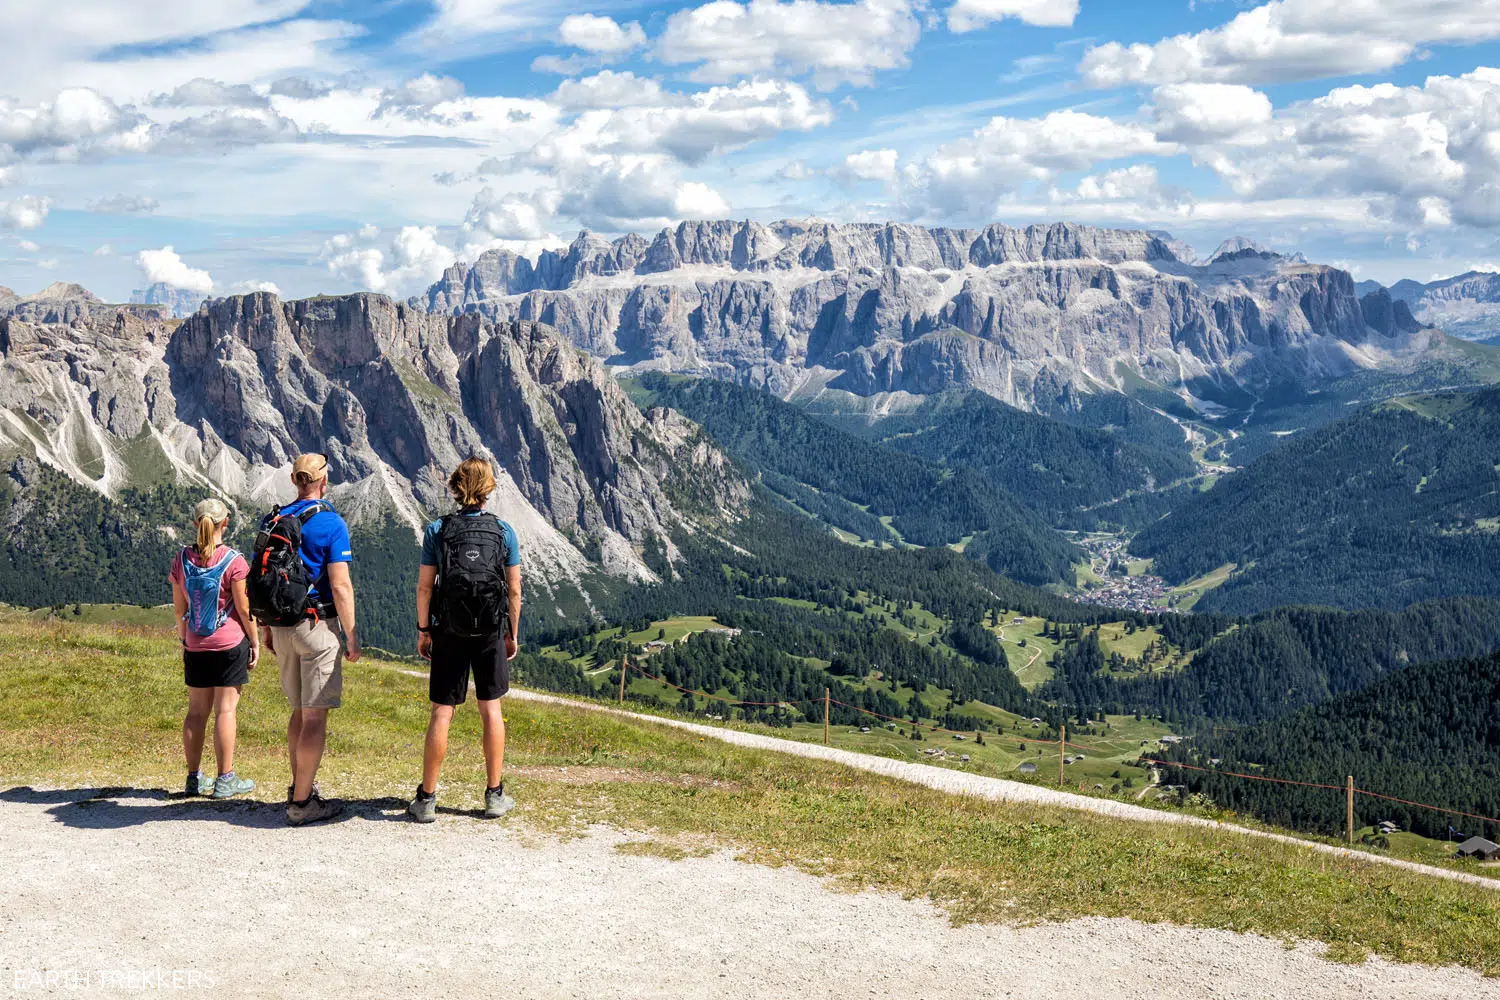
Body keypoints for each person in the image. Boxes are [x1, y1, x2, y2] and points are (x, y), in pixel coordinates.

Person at [408, 456, 521, 823]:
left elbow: (426, 587)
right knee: (491, 710)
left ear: (457, 487)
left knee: (443, 711)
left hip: (449, 631)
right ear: (489, 488)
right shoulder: (504, 532)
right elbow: (515, 591)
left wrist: (425, 630)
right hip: (490, 630)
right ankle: (494, 795)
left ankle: (426, 799)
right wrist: (511, 633)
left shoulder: (437, 531)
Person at [258, 453, 360, 827]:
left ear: (294, 479)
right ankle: (302, 802)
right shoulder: (331, 522)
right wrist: (350, 636)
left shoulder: (274, 519)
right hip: (317, 626)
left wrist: (266, 628)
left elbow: (265, 577)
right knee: (315, 716)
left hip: (281, 626)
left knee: (299, 711)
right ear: (323, 481)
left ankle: (300, 786)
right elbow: (340, 585)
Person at [169, 497, 258, 800]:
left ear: (196, 524)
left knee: (196, 712)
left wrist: (185, 639)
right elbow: (245, 610)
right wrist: (255, 642)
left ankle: (193, 779)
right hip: (230, 643)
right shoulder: (234, 561)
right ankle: (225, 780)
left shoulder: (181, 559)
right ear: (226, 523)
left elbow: (179, 606)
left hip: (195, 643)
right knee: (225, 710)